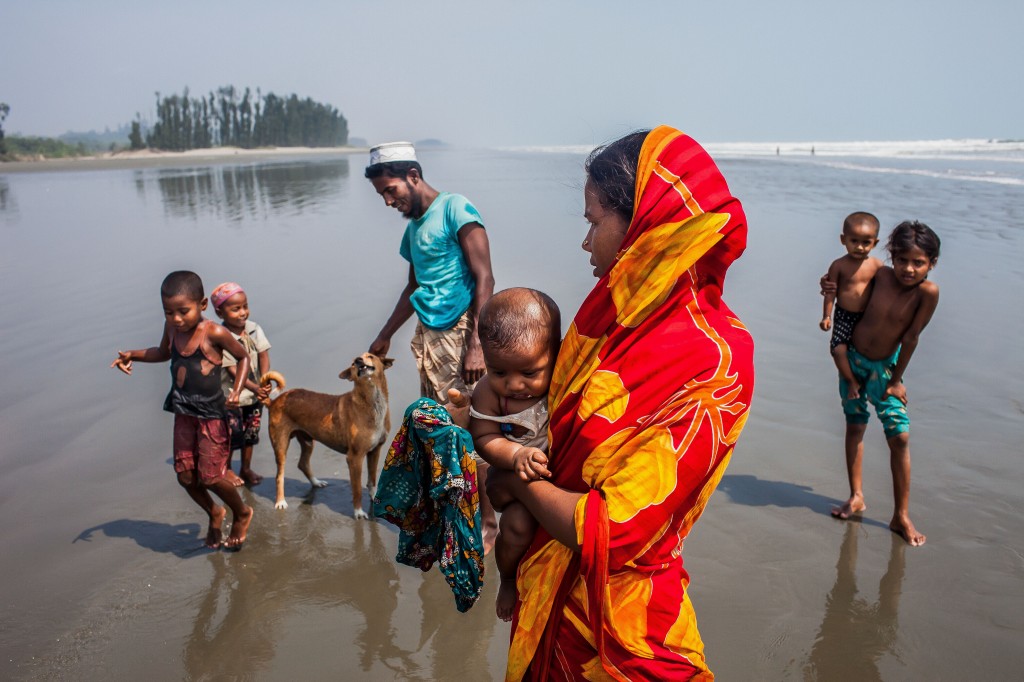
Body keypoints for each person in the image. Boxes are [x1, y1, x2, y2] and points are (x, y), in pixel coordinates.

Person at [484, 126, 755, 680]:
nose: (585, 242)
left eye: (592, 221)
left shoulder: (714, 361)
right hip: (550, 584)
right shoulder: (609, 318)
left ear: (644, 224)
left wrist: (520, 482)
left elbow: (617, 530)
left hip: (620, 624)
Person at [364, 141, 498, 551]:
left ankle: (488, 524)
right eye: (382, 195)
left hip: (462, 334)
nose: (388, 201)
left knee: (471, 432)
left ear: (413, 176)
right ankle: (453, 511)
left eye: (391, 190)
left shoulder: (456, 209)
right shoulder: (413, 229)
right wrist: (385, 333)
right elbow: (413, 286)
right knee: (439, 432)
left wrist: (476, 344)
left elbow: (485, 278)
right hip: (429, 340)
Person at [111, 271, 254, 550]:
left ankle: (242, 512)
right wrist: (134, 355)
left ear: (201, 305)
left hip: (212, 415)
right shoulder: (173, 329)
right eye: (168, 312)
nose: (176, 319)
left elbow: (242, 356)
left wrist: (236, 390)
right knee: (186, 476)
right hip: (183, 411)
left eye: (183, 311)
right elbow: (163, 352)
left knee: (212, 476)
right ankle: (214, 511)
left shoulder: (213, 332)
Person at [829, 221, 940, 547]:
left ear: (931, 264)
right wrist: (829, 285)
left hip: (885, 371)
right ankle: (857, 496)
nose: (908, 269)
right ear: (891, 256)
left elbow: (911, 337)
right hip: (853, 361)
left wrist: (895, 381)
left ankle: (901, 515)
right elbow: (847, 276)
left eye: (918, 263)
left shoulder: (927, 292)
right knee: (855, 426)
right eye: (902, 260)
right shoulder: (880, 274)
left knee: (900, 436)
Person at [468, 287, 561, 622]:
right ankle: (507, 579)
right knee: (519, 527)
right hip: (509, 479)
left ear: (556, 355)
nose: (514, 384)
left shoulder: (563, 378)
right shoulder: (489, 394)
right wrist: (514, 455)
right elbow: (484, 438)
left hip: (557, 474)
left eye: (529, 373)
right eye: (500, 372)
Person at [210, 281, 271, 487]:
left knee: (250, 434)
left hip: (254, 395)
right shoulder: (221, 336)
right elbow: (232, 369)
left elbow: (263, 354)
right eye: (235, 309)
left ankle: (245, 468)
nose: (243, 312)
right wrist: (256, 387)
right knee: (231, 435)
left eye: (245, 306)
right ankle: (226, 469)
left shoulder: (254, 329)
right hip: (232, 397)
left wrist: (265, 379)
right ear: (220, 313)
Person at [819, 212, 883, 399]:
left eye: (866, 242)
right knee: (838, 349)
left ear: (875, 243)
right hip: (844, 315)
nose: (860, 247)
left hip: (867, 317)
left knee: (866, 351)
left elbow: (887, 289)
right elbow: (830, 292)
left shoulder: (878, 266)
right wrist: (827, 316)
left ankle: (872, 385)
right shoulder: (838, 266)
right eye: (854, 241)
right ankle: (850, 380)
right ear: (843, 239)